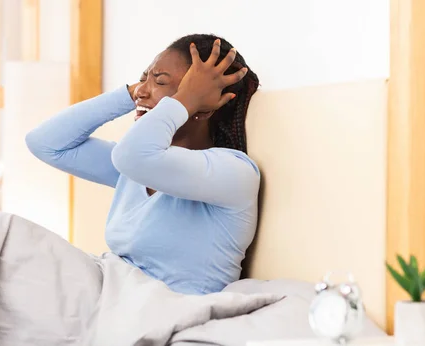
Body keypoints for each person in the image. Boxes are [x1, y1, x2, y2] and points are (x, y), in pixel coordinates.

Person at [25, 33, 260, 295]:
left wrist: (185, 99)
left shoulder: (234, 172)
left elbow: (132, 155)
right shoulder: (136, 169)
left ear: (204, 105)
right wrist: (130, 94)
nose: (141, 91)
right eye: (141, 80)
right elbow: (45, 143)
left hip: (163, 313)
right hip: (110, 296)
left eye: (159, 81)